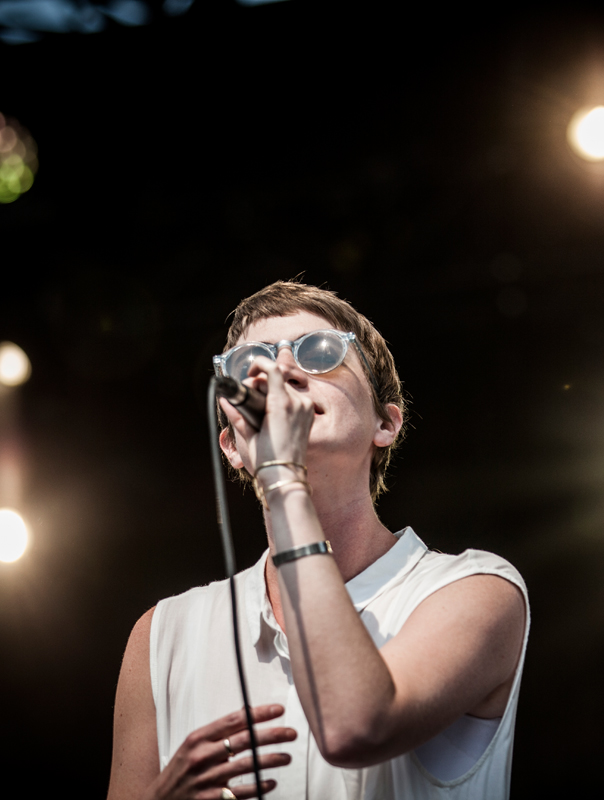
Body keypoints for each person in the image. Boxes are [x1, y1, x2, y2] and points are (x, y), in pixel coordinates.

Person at [107, 281, 528, 800]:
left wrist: (283, 477)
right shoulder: (162, 636)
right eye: (252, 366)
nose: (283, 372)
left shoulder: (476, 590)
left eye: (320, 352)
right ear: (233, 447)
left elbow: (356, 726)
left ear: (386, 422)